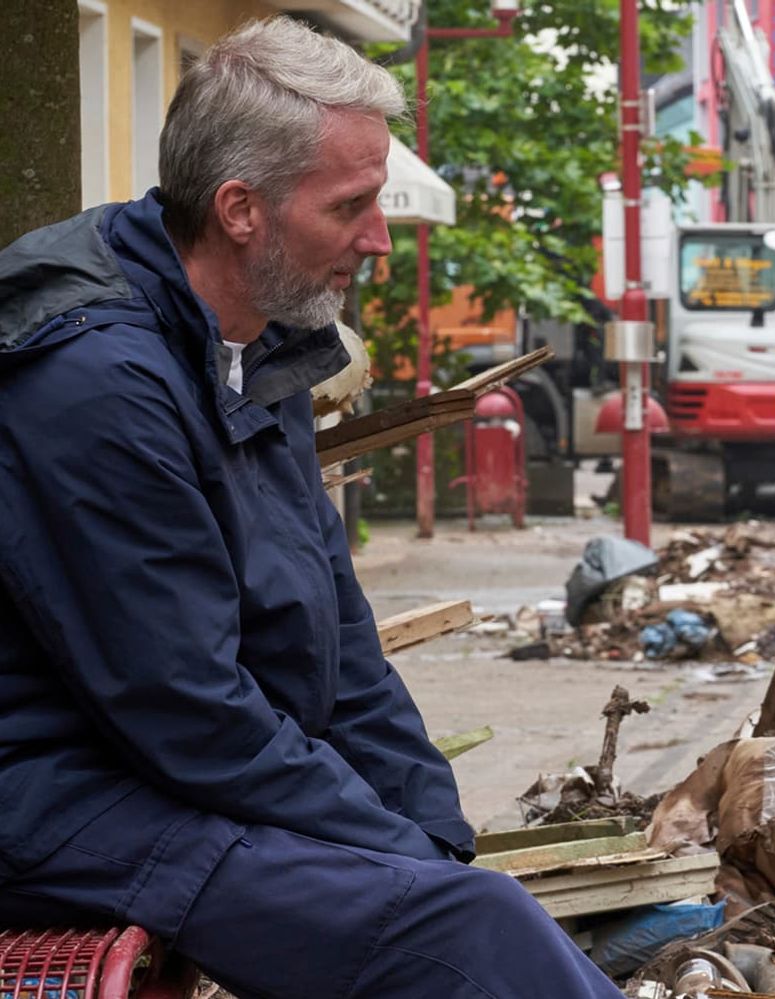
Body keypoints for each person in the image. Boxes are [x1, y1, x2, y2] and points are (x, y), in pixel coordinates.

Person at [0, 18, 621, 999]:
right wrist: (405, 866)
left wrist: (431, 835)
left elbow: (339, 643)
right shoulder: (96, 384)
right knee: (465, 939)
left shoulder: (261, 346)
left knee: (464, 904)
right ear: (241, 209)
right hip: (54, 798)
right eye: (353, 206)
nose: (377, 238)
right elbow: (185, 709)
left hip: (162, 772)